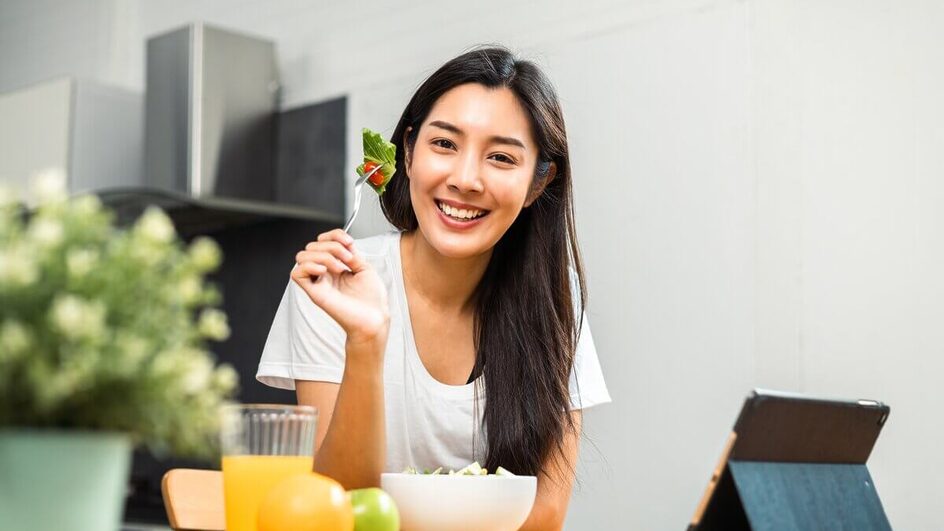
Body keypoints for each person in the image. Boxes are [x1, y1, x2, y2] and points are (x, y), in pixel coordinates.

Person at [256, 46, 611, 529]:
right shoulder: (333, 286)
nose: (465, 179)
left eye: (502, 157)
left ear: (537, 183)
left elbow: (544, 516)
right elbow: (334, 504)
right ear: (407, 150)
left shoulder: (554, 306)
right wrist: (366, 340)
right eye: (444, 144)